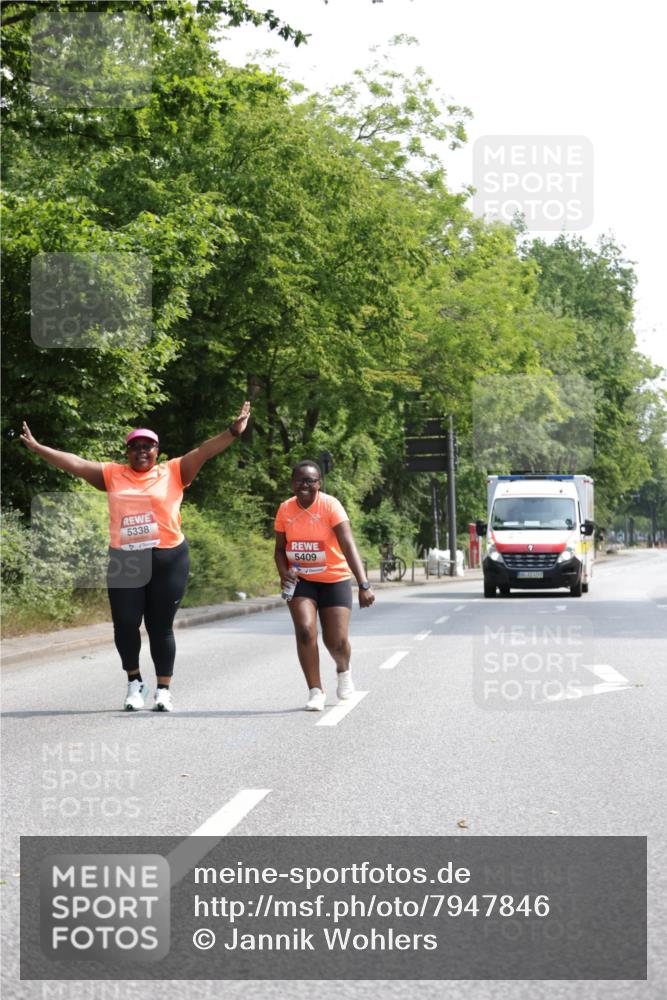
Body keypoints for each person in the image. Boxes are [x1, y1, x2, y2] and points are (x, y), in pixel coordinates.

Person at [20, 403, 250, 712]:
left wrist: (233, 431)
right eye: (135, 446)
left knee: (160, 627)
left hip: (168, 558)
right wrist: (38, 448)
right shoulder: (112, 474)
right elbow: (74, 463)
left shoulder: (174, 471)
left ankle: (164, 690)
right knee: (126, 624)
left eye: (148, 446)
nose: (141, 450)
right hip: (126, 559)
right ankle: (134, 682)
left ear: (157, 450)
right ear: (127, 451)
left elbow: (204, 451)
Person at [274, 460, 375, 711]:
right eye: (300, 480)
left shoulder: (330, 506)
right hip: (301, 580)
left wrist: (363, 584)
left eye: (311, 481)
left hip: (334, 579)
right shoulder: (285, 509)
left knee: (337, 642)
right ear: (292, 483)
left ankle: (343, 670)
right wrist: (284, 573)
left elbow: (348, 545)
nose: (305, 485)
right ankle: (315, 690)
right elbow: (278, 550)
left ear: (319, 483)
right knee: (306, 631)